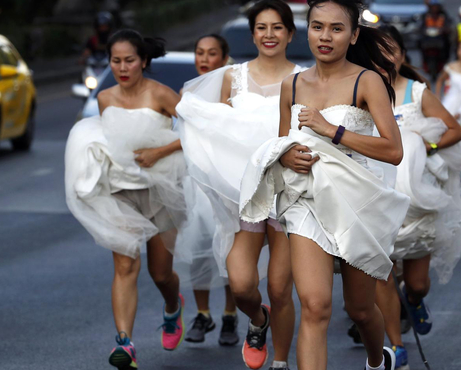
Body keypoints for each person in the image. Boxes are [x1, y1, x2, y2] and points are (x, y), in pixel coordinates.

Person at [239, 1, 410, 368]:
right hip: (306, 201)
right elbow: (282, 142)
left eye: (336, 28)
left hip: (356, 201)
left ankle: (377, 361)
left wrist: (332, 130)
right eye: (318, 27)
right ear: (308, 31)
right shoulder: (293, 84)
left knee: (362, 309)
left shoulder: (368, 82)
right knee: (315, 307)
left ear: (353, 36)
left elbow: (393, 150)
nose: (325, 36)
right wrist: (285, 157)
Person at [175, 2, 305, 369]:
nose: (269, 34)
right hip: (244, 196)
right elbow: (218, 133)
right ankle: (257, 319)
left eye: (277, 27)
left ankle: (280, 362)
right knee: (243, 284)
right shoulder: (233, 78)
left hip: (287, 196)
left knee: (281, 289)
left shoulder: (302, 79)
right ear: (252, 34)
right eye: (261, 27)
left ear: (290, 34)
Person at [65, 29, 191, 369]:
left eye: (129, 61)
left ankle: (172, 307)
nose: (123, 68)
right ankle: (125, 343)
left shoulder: (162, 94)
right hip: (120, 192)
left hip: (161, 189)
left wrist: (158, 152)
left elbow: (194, 131)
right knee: (125, 265)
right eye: (116, 61)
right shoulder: (105, 98)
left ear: (143, 61)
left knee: (161, 274)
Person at [371, 25, 461, 368]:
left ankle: (414, 300)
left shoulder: (417, 91)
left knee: (418, 283)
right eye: (378, 50)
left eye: (391, 50)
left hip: (419, 199)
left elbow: (456, 130)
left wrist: (422, 146)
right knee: (381, 271)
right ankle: (396, 347)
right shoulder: (361, 92)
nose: (385, 58)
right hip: (378, 197)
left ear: (401, 55)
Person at [183, 33, 240, 347]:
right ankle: (203, 313)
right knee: (197, 248)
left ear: (224, 57)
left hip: (224, 180)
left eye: (212, 53)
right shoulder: (187, 92)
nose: (204, 59)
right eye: (199, 52)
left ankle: (230, 314)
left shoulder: (232, 89)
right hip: (193, 181)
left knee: (228, 246)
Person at [435, 41, 461, 119]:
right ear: (457, 51)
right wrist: (437, 96)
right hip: (452, 101)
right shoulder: (450, 67)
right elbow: (440, 80)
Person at [419, 0, 453, 82]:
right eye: (433, 7)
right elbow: (420, 26)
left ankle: (444, 61)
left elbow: (448, 25)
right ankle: (424, 61)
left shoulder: (443, 16)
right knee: (419, 43)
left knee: (448, 44)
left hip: (440, 39)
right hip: (428, 39)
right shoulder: (425, 16)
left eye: (436, 7)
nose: (435, 9)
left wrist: (445, 30)